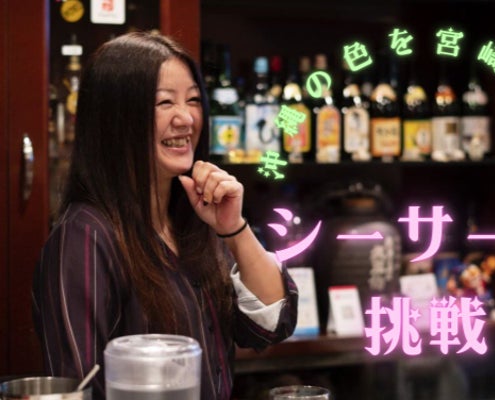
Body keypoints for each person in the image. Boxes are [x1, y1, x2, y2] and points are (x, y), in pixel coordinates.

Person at [32, 31, 298, 400]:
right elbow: (78, 388)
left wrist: (234, 230)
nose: (186, 118)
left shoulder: (194, 218)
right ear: (115, 118)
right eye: (164, 103)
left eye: (193, 100)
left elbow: (269, 328)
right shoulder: (85, 237)